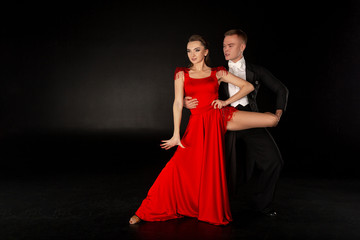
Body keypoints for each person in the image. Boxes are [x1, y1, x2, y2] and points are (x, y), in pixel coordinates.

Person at [129, 35, 279, 226]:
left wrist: (225, 102)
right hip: (198, 124)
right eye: (189, 51)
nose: (192, 54)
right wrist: (176, 134)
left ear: (205, 52)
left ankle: (266, 116)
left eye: (197, 50)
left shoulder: (218, 72)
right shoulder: (181, 73)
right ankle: (145, 211)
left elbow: (247, 86)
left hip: (219, 116)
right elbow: (176, 103)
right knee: (175, 167)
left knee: (272, 120)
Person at [185, 29, 289, 217]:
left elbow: (281, 90)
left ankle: (262, 203)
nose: (226, 49)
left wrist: (278, 113)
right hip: (223, 120)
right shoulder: (215, 72)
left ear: (242, 47)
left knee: (274, 160)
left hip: (249, 117)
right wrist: (186, 102)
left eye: (230, 45)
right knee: (218, 167)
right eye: (224, 46)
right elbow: (195, 90)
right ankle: (206, 205)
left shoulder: (257, 71)